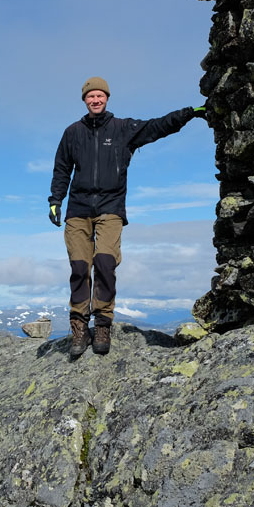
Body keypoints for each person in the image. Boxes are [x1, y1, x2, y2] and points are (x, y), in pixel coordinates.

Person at [48, 76, 205, 357]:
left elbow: (158, 126)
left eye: (100, 96)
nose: (95, 100)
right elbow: (62, 168)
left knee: (105, 264)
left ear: (107, 98)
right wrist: (55, 200)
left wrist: (187, 114)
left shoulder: (123, 129)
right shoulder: (72, 132)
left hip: (111, 208)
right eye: (90, 96)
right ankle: (79, 327)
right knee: (79, 268)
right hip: (78, 210)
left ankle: (103, 324)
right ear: (84, 100)